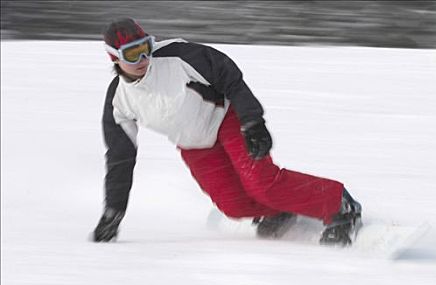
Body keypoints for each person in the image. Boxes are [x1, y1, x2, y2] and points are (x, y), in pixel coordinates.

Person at [92, 17, 362, 246]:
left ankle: (338, 204)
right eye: (131, 53)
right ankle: (280, 212)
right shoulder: (119, 101)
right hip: (195, 144)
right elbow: (120, 159)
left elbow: (227, 75)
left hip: (227, 119)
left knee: (262, 183)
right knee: (233, 205)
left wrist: (252, 121)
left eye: (145, 48)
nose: (142, 59)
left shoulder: (176, 57)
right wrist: (114, 211)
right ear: (114, 57)